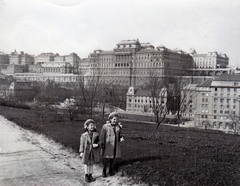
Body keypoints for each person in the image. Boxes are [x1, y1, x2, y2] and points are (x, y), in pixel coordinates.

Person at [100, 112, 124, 177]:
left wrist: (121, 137)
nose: (115, 121)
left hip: (115, 144)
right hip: (108, 145)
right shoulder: (105, 126)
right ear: (110, 119)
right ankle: (104, 170)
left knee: (113, 158)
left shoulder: (118, 127)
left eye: (116, 119)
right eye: (114, 119)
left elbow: (120, 134)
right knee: (107, 158)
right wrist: (102, 143)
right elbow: (102, 136)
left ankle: (110, 169)